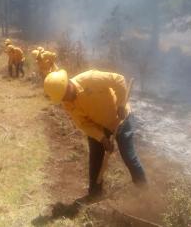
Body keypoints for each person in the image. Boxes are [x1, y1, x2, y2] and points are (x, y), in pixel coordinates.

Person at [44, 69, 146, 198]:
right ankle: (95, 194)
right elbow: (83, 124)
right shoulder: (67, 103)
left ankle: (144, 192)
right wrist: (102, 138)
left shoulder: (90, 78)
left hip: (120, 119)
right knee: (95, 157)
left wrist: (120, 104)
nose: (65, 100)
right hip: (98, 126)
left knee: (129, 156)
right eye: (62, 98)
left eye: (65, 95)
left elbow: (118, 79)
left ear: (68, 85)